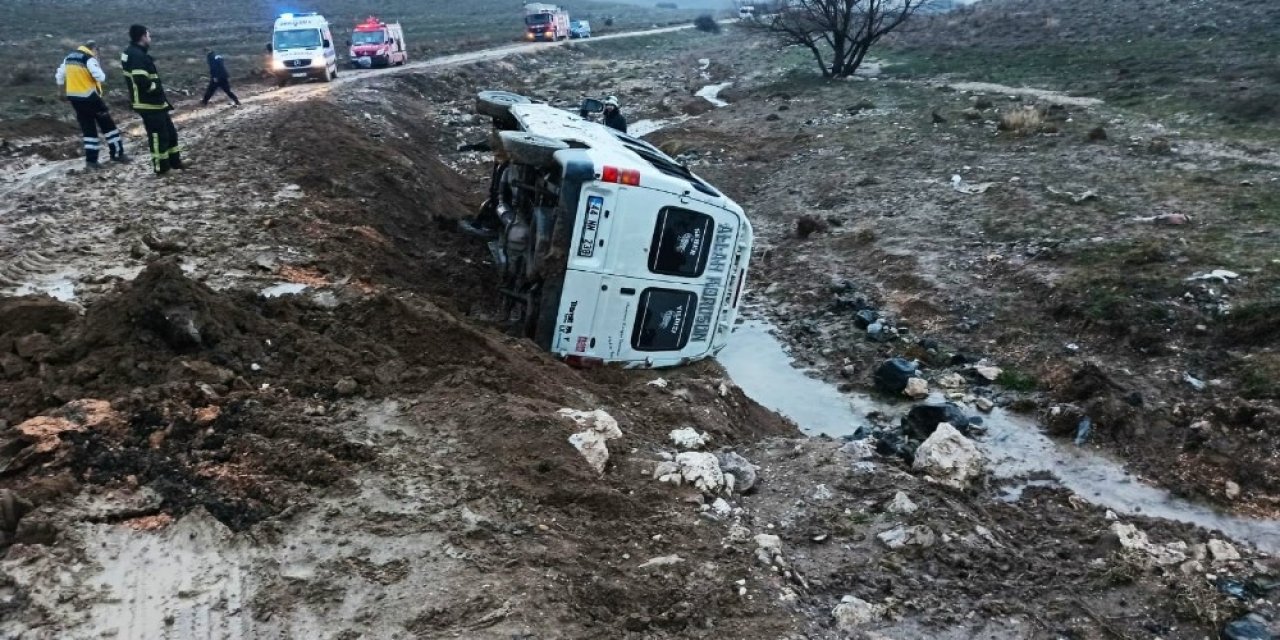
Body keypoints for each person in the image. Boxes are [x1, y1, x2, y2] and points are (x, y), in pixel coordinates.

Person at [54, 41, 128, 168]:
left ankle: (91, 161)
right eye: (97, 52)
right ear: (94, 49)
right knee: (108, 127)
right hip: (91, 98)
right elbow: (101, 77)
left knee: (88, 130)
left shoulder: (69, 57)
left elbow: (59, 76)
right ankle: (117, 154)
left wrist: (61, 92)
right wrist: (97, 64)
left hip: (75, 100)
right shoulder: (89, 59)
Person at [122, 25, 184, 174]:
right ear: (143, 37)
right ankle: (162, 168)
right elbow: (140, 79)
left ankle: (175, 163)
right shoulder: (136, 55)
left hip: (156, 103)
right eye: (149, 35)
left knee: (170, 133)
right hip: (148, 103)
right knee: (158, 136)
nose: (150, 38)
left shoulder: (135, 53)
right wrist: (154, 89)